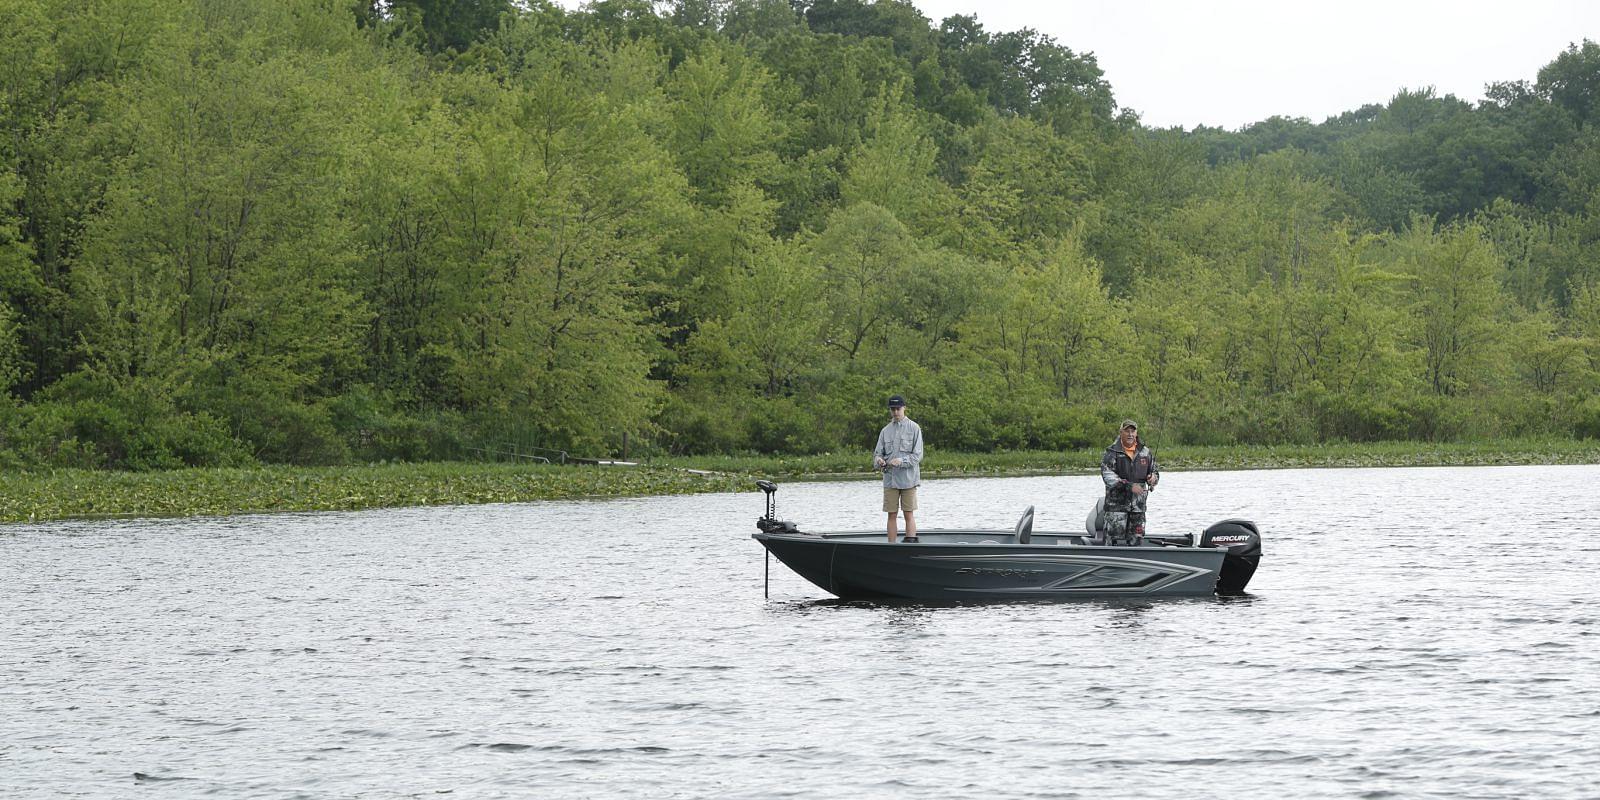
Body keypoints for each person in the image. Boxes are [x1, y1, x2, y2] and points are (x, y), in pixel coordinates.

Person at [1100, 419, 1159, 545]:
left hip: (1138, 509)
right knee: (1112, 543)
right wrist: (1128, 486)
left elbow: (1155, 472)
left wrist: (1152, 479)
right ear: (1121, 432)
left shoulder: (1145, 452)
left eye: (1133, 431)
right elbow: (1108, 476)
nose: (1130, 434)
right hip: (1116, 510)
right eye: (1127, 431)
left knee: (1137, 542)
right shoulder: (1111, 452)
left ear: (1136, 433)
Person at [873, 395, 923, 543]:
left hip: (908, 480)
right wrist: (879, 460)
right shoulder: (885, 431)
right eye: (892, 409)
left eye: (898, 409)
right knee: (891, 514)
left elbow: (917, 456)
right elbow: (877, 454)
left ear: (904, 408)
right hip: (890, 480)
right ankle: (891, 545)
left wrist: (901, 461)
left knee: (908, 513)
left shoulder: (914, 428)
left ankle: (911, 542)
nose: (895, 412)